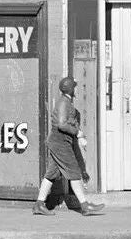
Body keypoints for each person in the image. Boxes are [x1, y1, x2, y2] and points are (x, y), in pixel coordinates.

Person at [34, 75, 104, 216]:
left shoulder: (66, 101)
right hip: (60, 142)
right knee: (74, 172)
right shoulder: (64, 103)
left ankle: (39, 205)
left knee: (51, 174)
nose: (76, 89)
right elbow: (61, 124)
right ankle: (84, 206)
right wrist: (77, 132)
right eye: (75, 87)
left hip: (58, 141)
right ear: (71, 89)